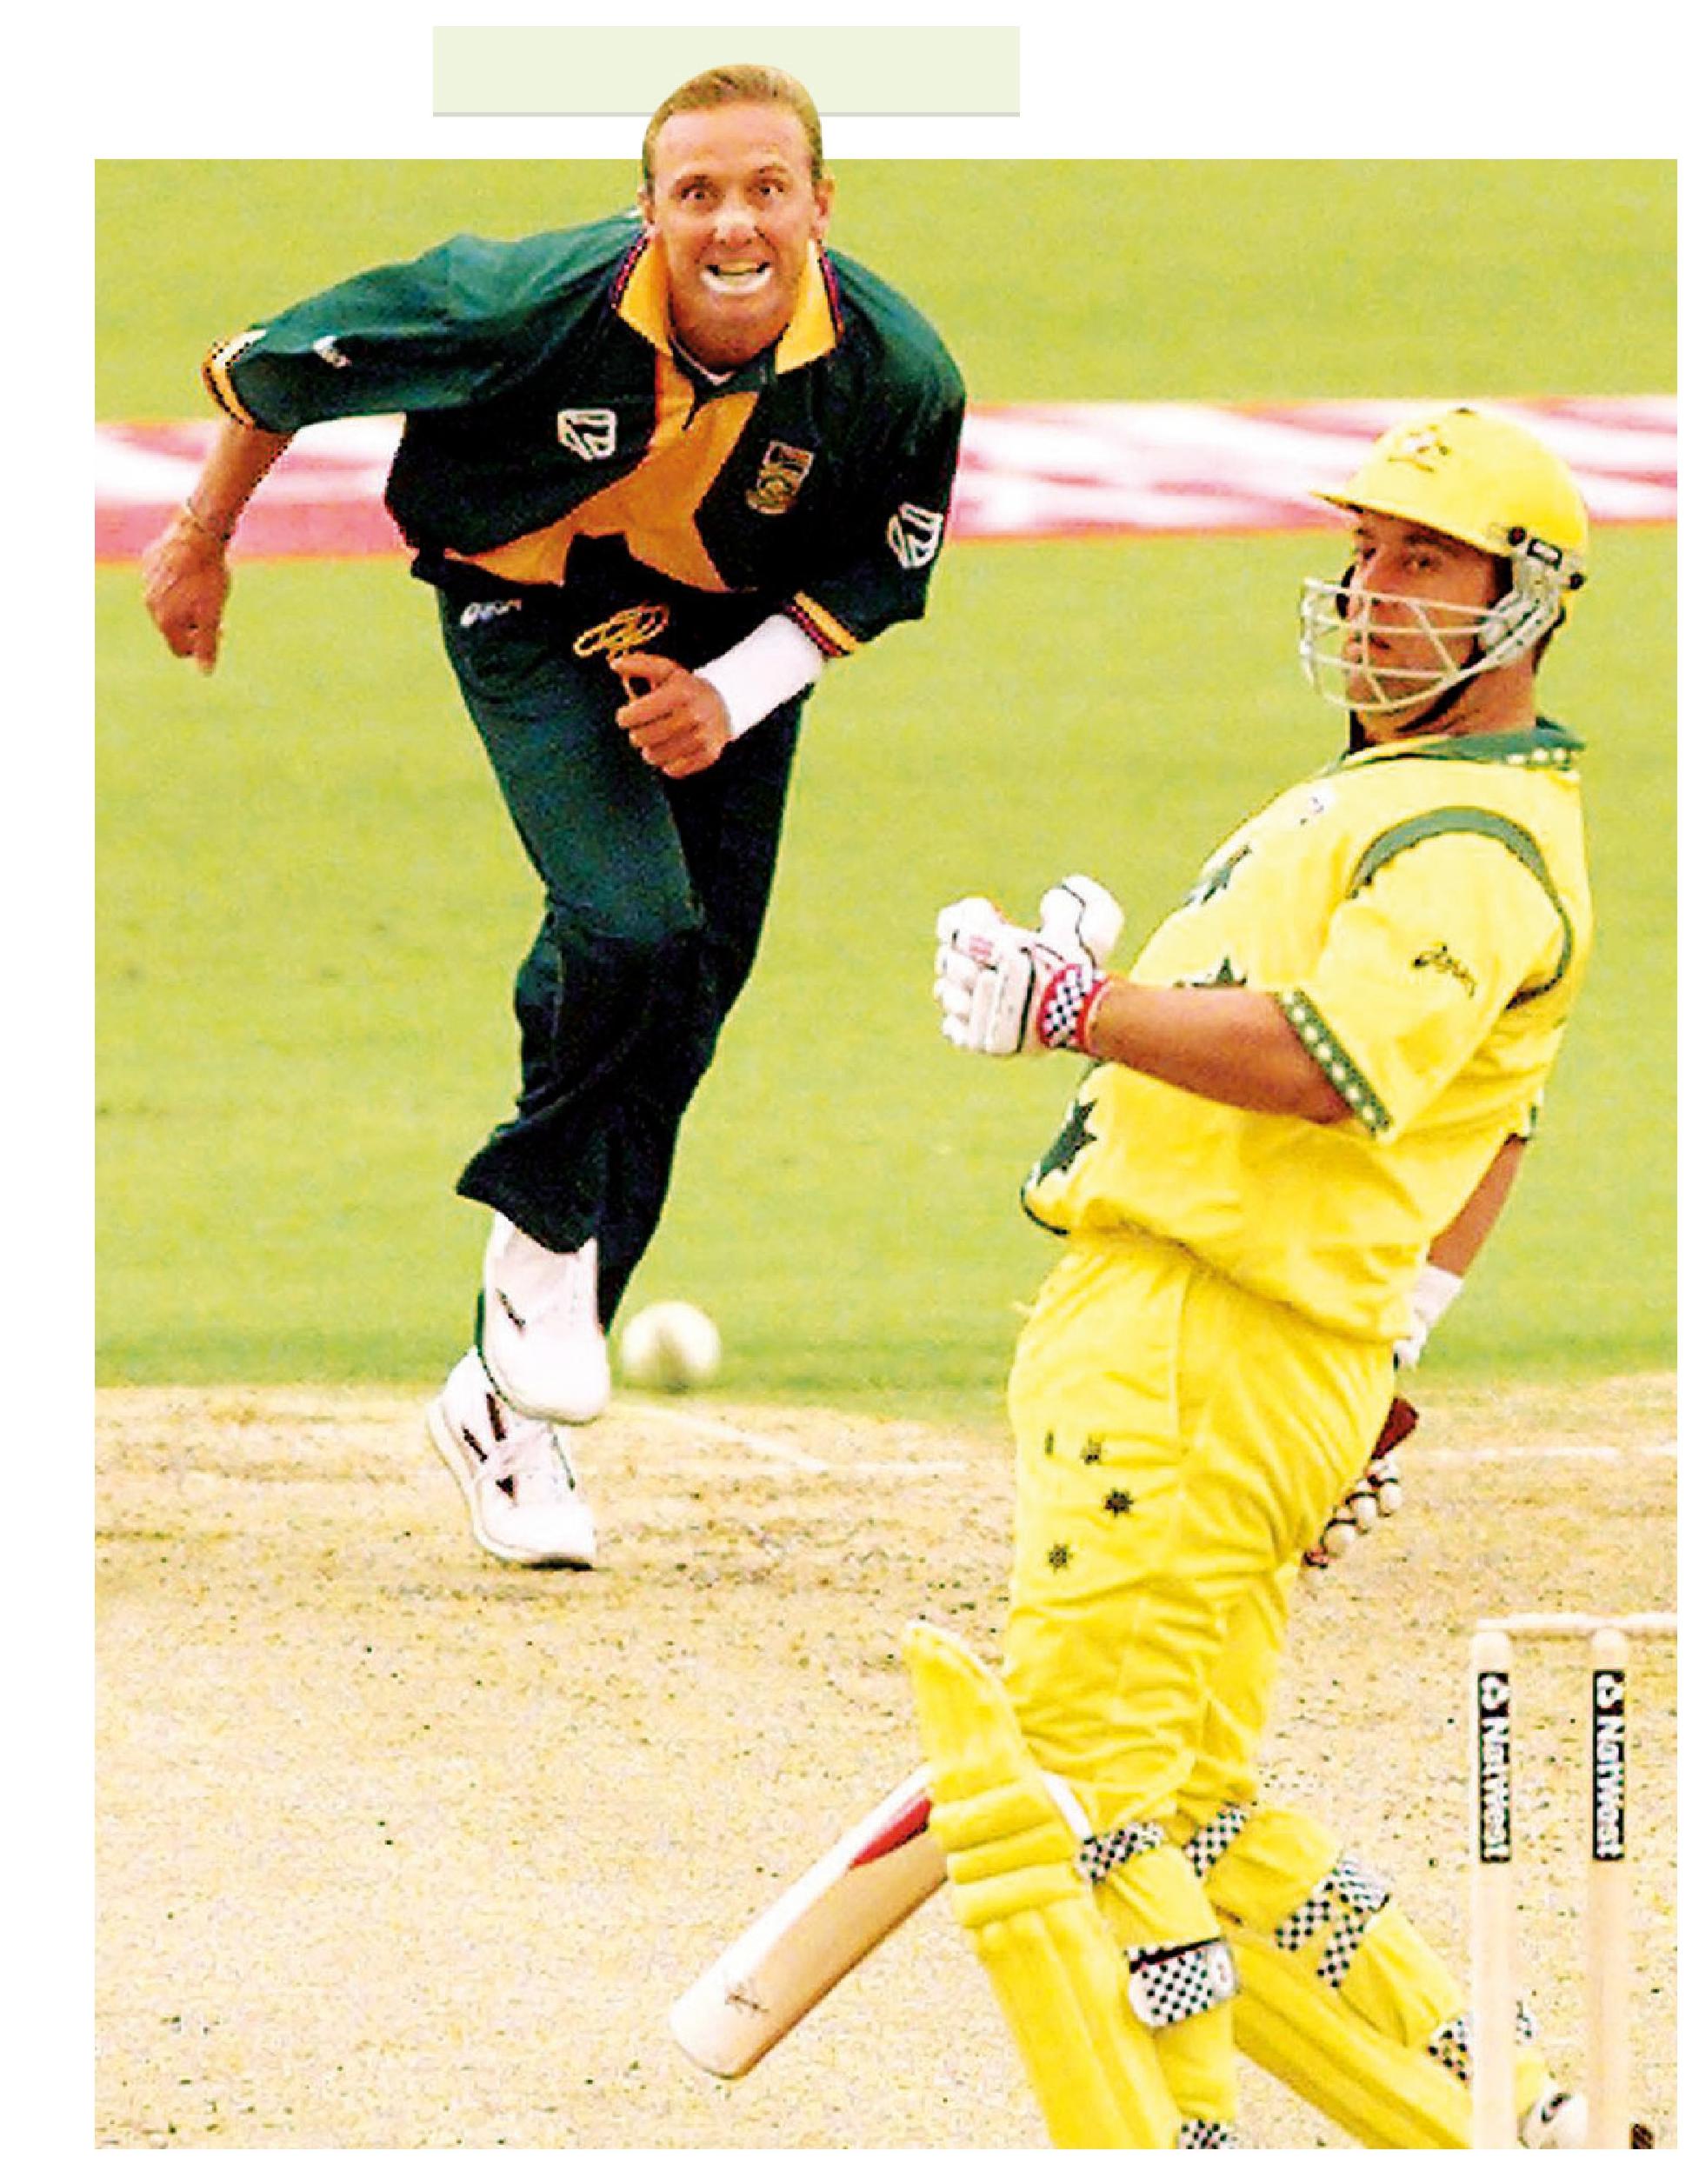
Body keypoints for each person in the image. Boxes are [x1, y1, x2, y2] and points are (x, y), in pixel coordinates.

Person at [140, 63, 965, 1570]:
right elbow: (284, 368)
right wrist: (200, 537)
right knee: (630, 926)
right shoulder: (528, 303)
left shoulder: (898, 373)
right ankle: (536, 1224)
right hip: (523, 607)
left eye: (766, 189)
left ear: (820, 207)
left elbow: (877, 572)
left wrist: (730, 695)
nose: (733, 224)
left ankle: (503, 1419)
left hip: (728, 641)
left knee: (684, 997)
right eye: (696, 192)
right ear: (647, 211)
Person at [916, 405, 1595, 2147]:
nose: (1372, 590)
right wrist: (1383, 1358)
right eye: (1364, 552)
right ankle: (1512, 2120)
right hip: (1236, 1352)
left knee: (1069, 1808)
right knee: (1193, 1817)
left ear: (1523, 603)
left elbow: (1320, 1063)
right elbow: (1496, 1124)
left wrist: (1074, 1008)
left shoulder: (1466, 841)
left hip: (1193, 1344)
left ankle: (1180, 2144)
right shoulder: (1404, 802)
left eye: (1424, 560)